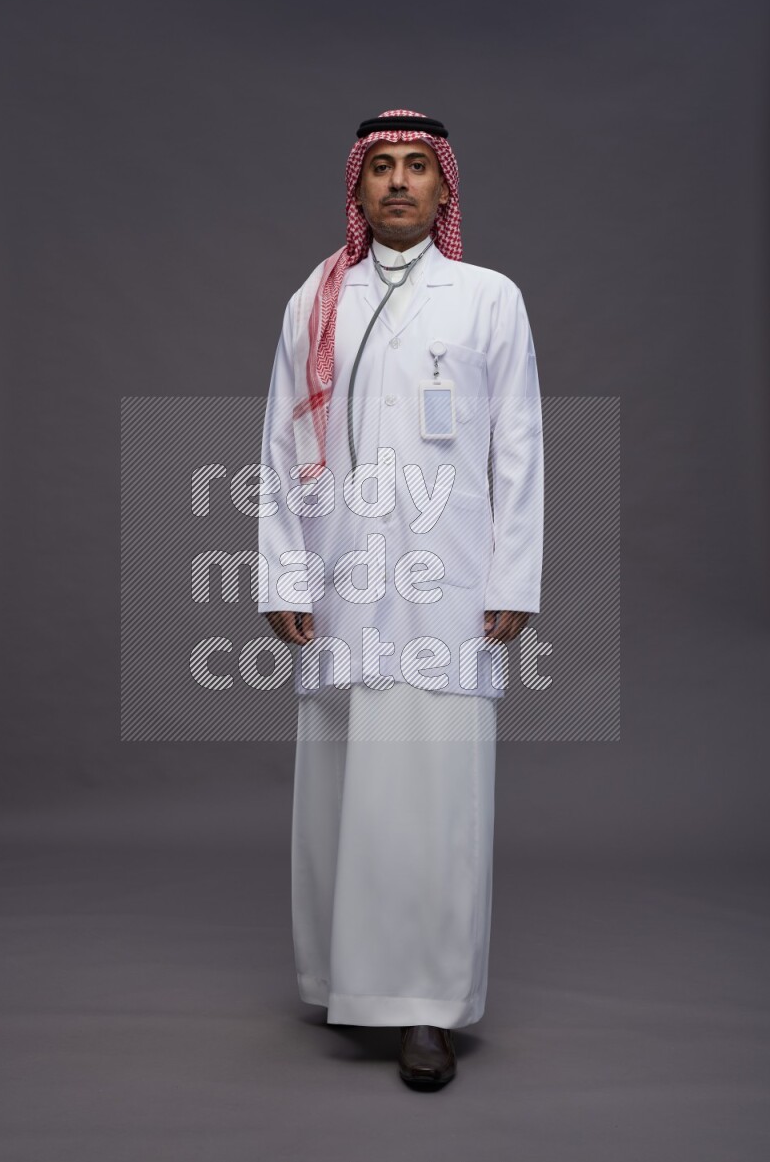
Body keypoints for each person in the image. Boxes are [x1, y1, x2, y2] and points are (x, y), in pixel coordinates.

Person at [258, 109, 544, 1088]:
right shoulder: (315, 301)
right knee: (344, 786)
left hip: (445, 584)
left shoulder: (487, 298)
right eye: (379, 166)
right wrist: (283, 573)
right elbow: (280, 445)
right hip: (342, 576)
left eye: (416, 166)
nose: (397, 182)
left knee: (435, 793)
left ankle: (427, 1005)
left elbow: (519, 446)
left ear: (443, 187)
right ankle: (345, 982)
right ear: (356, 186)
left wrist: (511, 576)